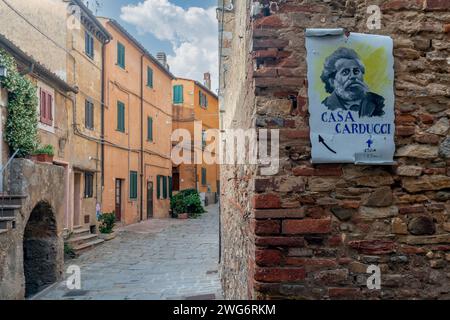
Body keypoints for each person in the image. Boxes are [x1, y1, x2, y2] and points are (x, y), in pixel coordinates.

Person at [320, 47, 385, 118]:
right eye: (345, 72)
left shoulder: (379, 102)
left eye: (356, 71)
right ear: (332, 82)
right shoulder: (324, 107)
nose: (353, 76)